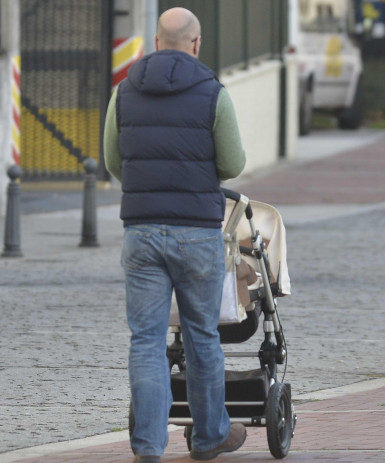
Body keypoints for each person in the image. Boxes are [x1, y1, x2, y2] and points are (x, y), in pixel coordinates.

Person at [103, 7, 247, 462]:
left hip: (141, 231)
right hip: (197, 234)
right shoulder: (212, 94)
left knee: (144, 339)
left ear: (156, 41)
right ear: (196, 43)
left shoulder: (124, 92)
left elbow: (113, 161)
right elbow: (232, 163)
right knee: (201, 334)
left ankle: (148, 446)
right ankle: (209, 438)